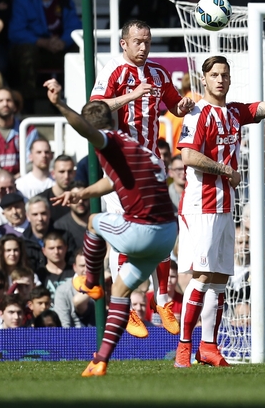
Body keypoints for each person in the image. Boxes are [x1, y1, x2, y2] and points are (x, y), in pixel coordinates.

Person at [44, 78, 178, 377]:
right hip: (167, 236)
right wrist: (81, 193)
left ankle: (91, 282)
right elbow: (112, 181)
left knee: (93, 221)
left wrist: (59, 104)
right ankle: (100, 361)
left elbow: (87, 129)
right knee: (119, 290)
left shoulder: (108, 139)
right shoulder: (135, 147)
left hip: (144, 231)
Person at [90, 19, 194, 336]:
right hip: (120, 163)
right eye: (138, 41)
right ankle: (128, 306)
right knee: (126, 232)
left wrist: (184, 105)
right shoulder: (113, 70)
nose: (144, 47)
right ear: (124, 43)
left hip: (151, 163)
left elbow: (175, 106)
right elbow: (94, 109)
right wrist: (130, 96)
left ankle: (162, 301)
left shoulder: (159, 73)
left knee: (161, 229)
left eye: (147, 41)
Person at [174, 55, 265, 368]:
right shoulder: (196, 113)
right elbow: (189, 156)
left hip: (225, 205)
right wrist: (225, 169)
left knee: (219, 279)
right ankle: (184, 346)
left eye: (225, 75)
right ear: (204, 79)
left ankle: (208, 347)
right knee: (201, 275)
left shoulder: (233, 112)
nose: (220, 80)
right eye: (214, 75)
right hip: (200, 205)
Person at [8, 0, 81, 102]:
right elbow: (15, 32)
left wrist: (63, 41)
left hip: (58, 48)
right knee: (27, 51)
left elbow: (74, 27)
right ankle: (29, 103)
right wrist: (42, 42)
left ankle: (72, 100)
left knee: (78, 49)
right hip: (34, 49)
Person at [0, 87, 37, 175]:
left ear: (15, 107)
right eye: (0, 101)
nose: (5, 104)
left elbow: (33, 161)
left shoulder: (28, 129)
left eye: (9, 100)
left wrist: (17, 178)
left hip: (22, 179)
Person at [53, 250, 96, 328]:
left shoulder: (106, 284)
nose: (86, 270)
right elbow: (64, 326)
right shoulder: (63, 290)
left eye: (90, 265)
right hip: (76, 334)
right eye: (82, 266)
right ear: (75, 267)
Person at [36, 154, 74, 221]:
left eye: (70, 171)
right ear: (53, 174)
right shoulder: (42, 200)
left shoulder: (81, 198)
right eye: (62, 172)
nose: (66, 176)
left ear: (74, 173)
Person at [53, 181, 89, 254]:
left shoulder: (98, 221)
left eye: (84, 197)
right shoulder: (60, 226)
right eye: (75, 198)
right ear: (68, 200)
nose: (80, 201)